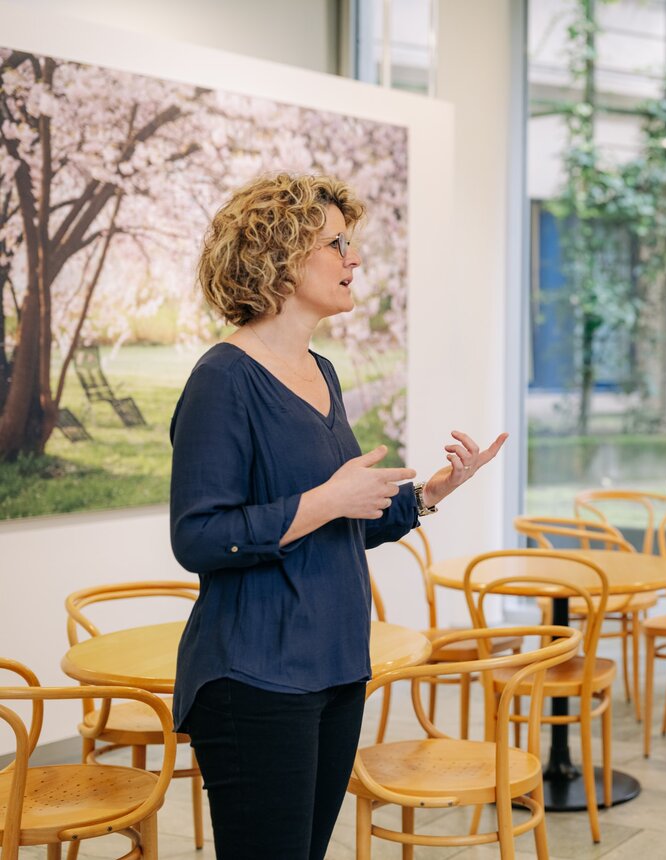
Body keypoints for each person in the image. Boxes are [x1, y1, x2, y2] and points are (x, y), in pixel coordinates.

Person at [168, 173, 506, 860]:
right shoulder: (223, 379)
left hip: (335, 668)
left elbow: (343, 522)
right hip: (254, 677)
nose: (354, 260)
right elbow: (198, 536)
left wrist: (436, 489)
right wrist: (326, 499)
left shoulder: (321, 370)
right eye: (337, 244)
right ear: (279, 258)